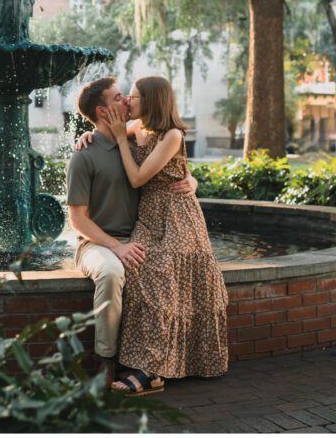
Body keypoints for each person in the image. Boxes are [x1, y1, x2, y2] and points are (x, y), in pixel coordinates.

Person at [78, 75, 228, 396]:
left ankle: (152, 371)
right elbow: (101, 133)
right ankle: (143, 362)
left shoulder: (171, 134)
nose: (128, 102)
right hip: (148, 218)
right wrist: (87, 136)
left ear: (151, 102)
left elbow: (136, 179)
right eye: (125, 97)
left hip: (176, 218)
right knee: (138, 270)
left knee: (159, 275)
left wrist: (192, 180)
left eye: (132, 98)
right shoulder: (137, 129)